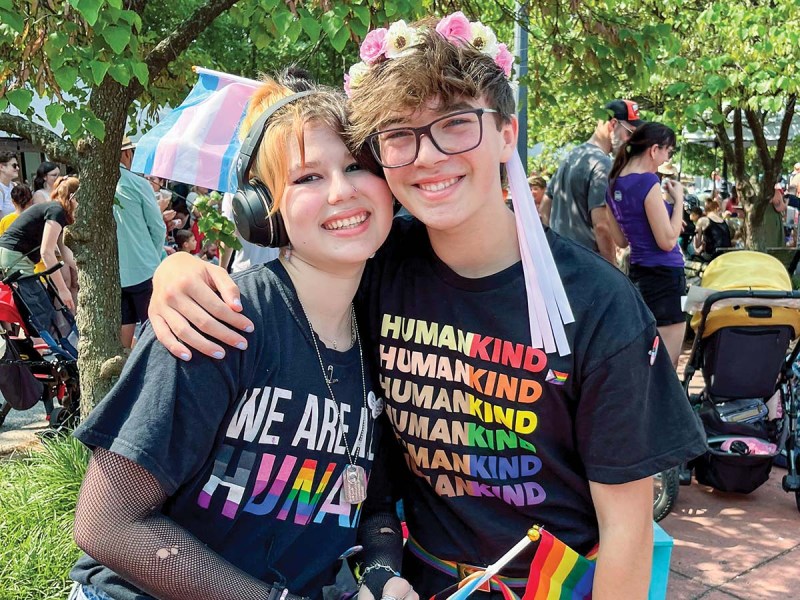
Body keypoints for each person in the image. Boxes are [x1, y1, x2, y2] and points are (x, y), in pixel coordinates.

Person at [145, 14, 706, 599]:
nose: (428, 156)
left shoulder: (600, 305)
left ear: (507, 133)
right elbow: (295, 268)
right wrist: (175, 269)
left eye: (457, 124)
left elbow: (627, 531)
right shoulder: (377, 263)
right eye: (399, 135)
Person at [69, 78, 412, 600]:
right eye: (308, 178)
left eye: (357, 166)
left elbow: (377, 505)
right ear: (262, 211)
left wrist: (384, 574)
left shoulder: (379, 335)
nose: (342, 191)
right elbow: (107, 523)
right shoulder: (219, 322)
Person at [604, 123, 685, 367]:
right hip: (665, 276)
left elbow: (620, 240)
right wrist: (678, 200)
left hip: (639, 274)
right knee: (666, 364)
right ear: (654, 150)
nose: (666, 158)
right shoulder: (647, 182)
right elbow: (667, 241)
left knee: (644, 356)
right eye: (667, 152)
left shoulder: (613, 184)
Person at [540, 99, 641, 263]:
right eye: (630, 133)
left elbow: (545, 208)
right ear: (613, 125)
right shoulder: (602, 164)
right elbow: (602, 226)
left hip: (561, 261)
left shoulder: (571, 156)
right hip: (588, 266)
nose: (631, 141)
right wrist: (613, 270)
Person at [115, 136, 167, 347]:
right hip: (144, 269)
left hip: (115, 274)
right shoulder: (138, 183)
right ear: (127, 154)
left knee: (124, 332)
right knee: (155, 329)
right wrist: (152, 258)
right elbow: (157, 227)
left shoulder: (94, 188)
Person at [0, 176, 78, 311]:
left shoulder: (58, 212)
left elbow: (66, 255)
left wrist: (86, 270)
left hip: (17, 257)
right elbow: (46, 252)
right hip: (15, 257)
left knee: (37, 311)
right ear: (73, 197)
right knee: (38, 312)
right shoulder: (56, 211)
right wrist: (63, 290)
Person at [0, 152, 19, 219]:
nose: (17, 168)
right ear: (1, 167)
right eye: (14, 165)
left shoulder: (15, 186)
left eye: (17, 165)